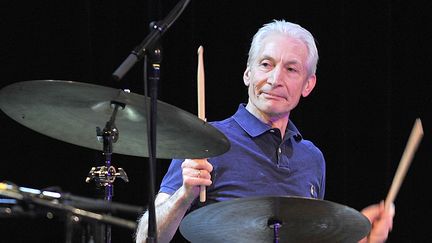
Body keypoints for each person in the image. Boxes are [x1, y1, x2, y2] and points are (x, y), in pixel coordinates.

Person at [135, 19, 395, 243]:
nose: (275, 79)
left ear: (308, 84)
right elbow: (146, 237)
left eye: (291, 69)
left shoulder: (312, 158)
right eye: (266, 64)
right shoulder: (206, 141)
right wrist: (184, 195)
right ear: (248, 73)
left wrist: (365, 237)